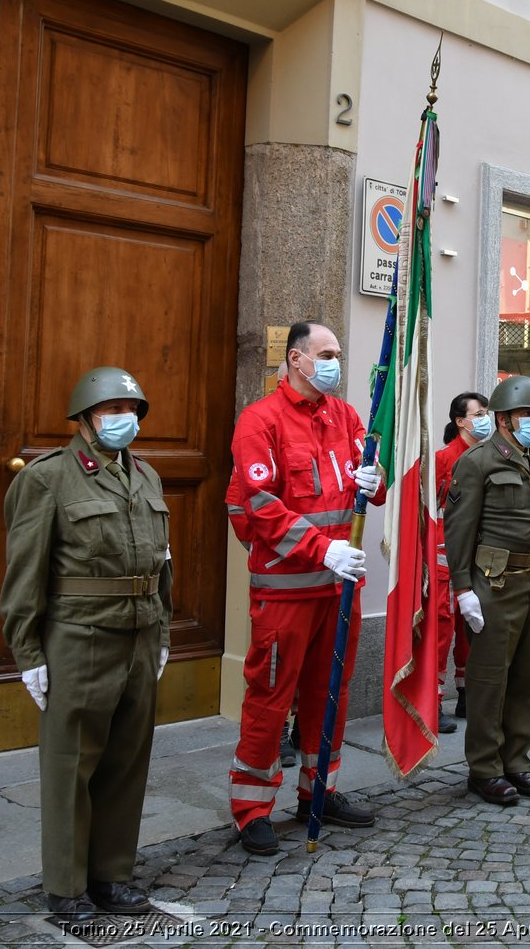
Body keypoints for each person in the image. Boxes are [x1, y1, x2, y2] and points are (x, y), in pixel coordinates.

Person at [0, 367, 171, 924]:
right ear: (84, 418)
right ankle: (66, 887)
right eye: (111, 411)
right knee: (72, 763)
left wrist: (162, 632)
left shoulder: (146, 476)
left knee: (127, 761)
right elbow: (25, 570)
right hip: (80, 635)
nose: (123, 420)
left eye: (131, 411)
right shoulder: (48, 478)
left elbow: (163, 561)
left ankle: (112, 875)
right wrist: (27, 652)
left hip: (140, 634)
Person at [225, 321, 386, 855]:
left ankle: (321, 790)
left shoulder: (345, 416)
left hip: (338, 592)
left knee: (329, 698)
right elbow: (259, 505)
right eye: (327, 353)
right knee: (270, 700)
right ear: (296, 359)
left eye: (337, 353)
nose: (336, 361)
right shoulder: (260, 420)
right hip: (286, 592)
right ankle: (252, 809)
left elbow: (371, 483)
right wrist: (323, 549)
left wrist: (375, 479)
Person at [441, 376, 530, 806]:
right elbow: (458, 530)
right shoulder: (477, 462)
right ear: (505, 418)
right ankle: (484, 769)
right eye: (528, 414)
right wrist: (462, 589)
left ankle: (517, 762)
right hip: (493, 584)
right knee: (490, 681)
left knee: (526, 679)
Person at [434, 391, 491, 728]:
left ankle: (468, 695)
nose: (484, 418)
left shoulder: (489, 456)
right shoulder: (443, 460)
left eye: (486, 412)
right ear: (460, 421)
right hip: (444, 561)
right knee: (441, 634)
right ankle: (434, 702)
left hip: (478, 558)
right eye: (478, 413)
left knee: (473, 630)